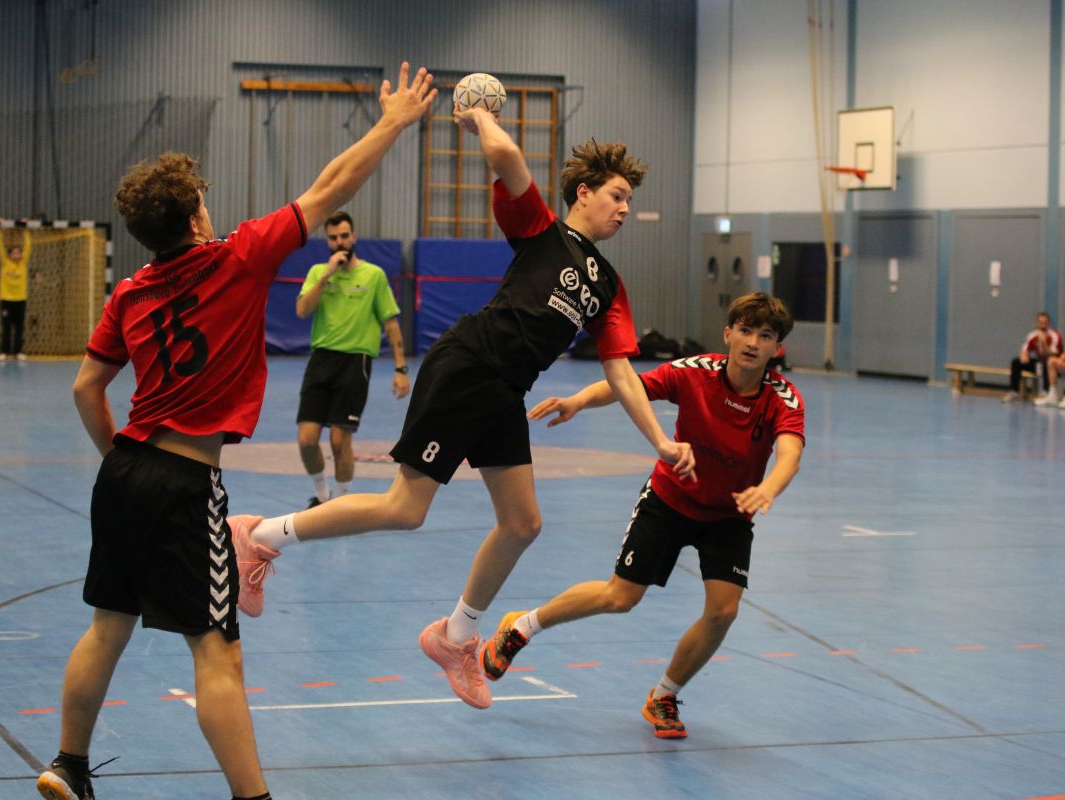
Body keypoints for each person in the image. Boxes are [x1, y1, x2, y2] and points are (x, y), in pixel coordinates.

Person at [35, 62, 437, 800]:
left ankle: (68, 764)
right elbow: (330, 188)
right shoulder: (239, 257)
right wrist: (391, 122)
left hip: (124, 472)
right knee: (218, 655)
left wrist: (119, 458)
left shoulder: (129, 293)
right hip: (187, 482)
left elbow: (86, 386)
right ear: (195, 219)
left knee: (107, 626)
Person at [228, 107, 695, 711]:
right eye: (617, 195)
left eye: (630, 200)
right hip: (469, 366)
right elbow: (507, 159)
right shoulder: (541, 231)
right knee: (404, 509)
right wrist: (480, 117)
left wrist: (659, 441)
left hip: (506, 389)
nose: (625, 208)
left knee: (522, 524)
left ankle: (454, 638)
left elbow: (622, 372)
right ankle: (260, 535)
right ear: (584, 193)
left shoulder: (609, 285)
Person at [479, 292, 804, 740]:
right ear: (728, 334)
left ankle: (663, 696)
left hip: (730, 514)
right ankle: (520, 627)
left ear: (776, 348)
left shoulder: (782, 398)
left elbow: (790, 453)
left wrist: (769, 487)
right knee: (620, 597)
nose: (752, 342)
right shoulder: (694, 372)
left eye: (765, 336)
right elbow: (627, 385)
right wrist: (578, 400)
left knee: (723, 611)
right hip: (670, 500)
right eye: (745, 331)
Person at [294, 211, 409, 509]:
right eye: (333, 238)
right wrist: (327, 275)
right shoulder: (318, 272)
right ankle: (322, 498)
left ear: (353, 236)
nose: (340, 242)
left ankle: (341, 503)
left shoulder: (374, 275)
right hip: (321, 360)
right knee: (307, 440)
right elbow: (302, 310)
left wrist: (400, 368)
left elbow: (391, 324)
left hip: (355, 364)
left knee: (338, 441)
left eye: (344, 235)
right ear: (328, 242)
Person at [1004, 311, 1062, 402]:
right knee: (1016, 362)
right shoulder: (1033, 335)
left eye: (1045, 323)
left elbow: (1053, 354)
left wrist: (1044, 343)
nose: (1043, 325)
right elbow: (1024, 349)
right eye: (1041, 323)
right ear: (1037, 323)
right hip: (1040, 364)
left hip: (1054, 366)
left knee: (1048, 362)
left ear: (1048, 324)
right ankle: (1014, 391)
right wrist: (1024, 355)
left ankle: (1046, 392)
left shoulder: (1054, 336)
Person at [0, 228, 32, 360]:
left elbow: (28, 246)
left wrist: (24, 230)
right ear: (10, 255)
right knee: (6, 327)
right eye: (14, 252)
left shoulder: (23, 264)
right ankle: (4, 351)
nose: (16, 254)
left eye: (18, 252)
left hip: (20, 300)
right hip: (6, 300)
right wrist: (0, 230)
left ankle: (18, 351)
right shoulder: (5, 263)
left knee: (19, 327)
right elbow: (0, 246)